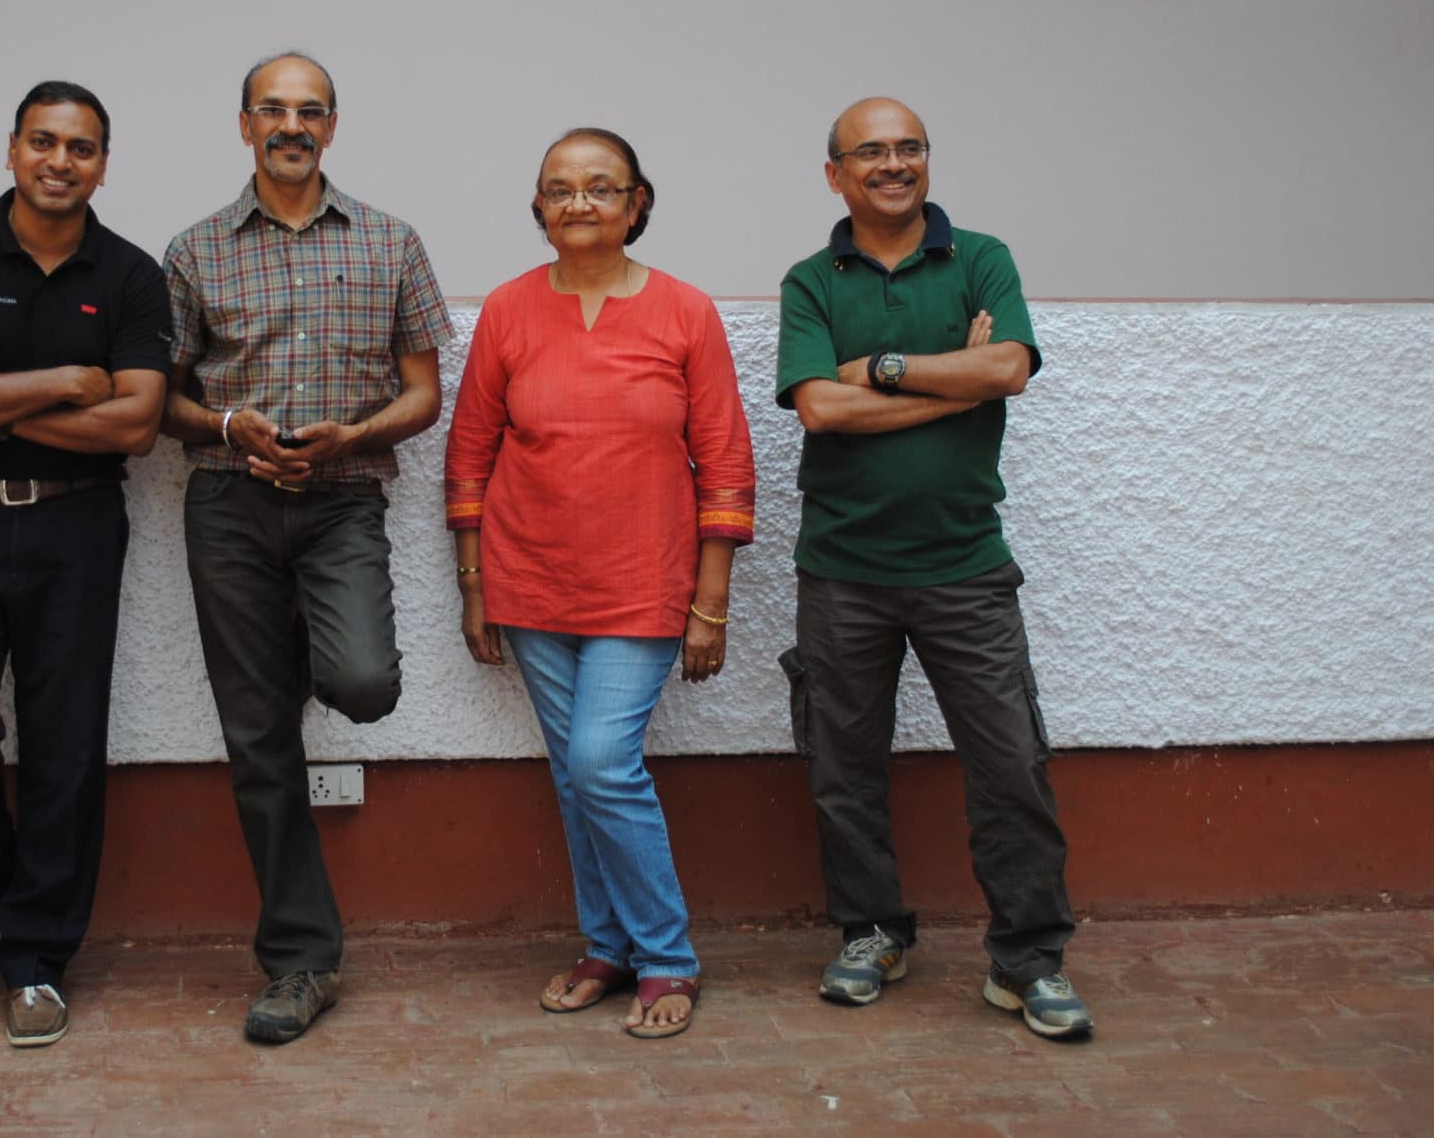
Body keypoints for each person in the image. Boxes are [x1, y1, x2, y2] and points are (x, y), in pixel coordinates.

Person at [774, 96, 1092, 1040]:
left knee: (1011, 765)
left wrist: (875, 369)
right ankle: (872, 932)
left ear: (927, 161)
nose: (893, 163)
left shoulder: (982, 258)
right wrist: (949, 380)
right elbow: (819, 410)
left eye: (909, 147)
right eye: (870, 150)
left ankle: (1029, 961)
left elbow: (1007, 370)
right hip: (842, 570)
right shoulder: (810, 280)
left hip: (966, 566)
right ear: (834, 173)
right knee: (844, 769)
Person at [161, 52, 452, 1044]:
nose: (292, 125)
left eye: (310, 110)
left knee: (361, 681)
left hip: (341, 503)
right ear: (244, 124)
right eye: (272, 109)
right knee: (259, 741)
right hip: (227, 504)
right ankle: (301, 959)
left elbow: (423, 393)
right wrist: (227, 423)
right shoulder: (195, 250)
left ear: (332, 125)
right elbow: (162, 397)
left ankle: (284, 666)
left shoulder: (391, 242)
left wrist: (352, 437)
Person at [444, 128, 755, 1040]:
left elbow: (726, 461)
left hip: (643, 580)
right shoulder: (507, 310)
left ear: (637, 203)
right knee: (574, 775)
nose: (579, 202)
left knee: (599, 762)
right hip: (529, 578)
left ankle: (667, 954)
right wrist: (474, 585)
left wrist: (710, 603)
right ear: (538, 207)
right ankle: (607, 946)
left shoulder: (685, 312)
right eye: (560, 188)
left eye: (600, 186)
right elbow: (468, 454)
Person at [0, 81, 170, 1048]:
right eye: (44, 141)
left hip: (77, 528)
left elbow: (135, 425)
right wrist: (61, 382)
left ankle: (36, 960)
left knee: (65, 746)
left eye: (81, 147)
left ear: (104, 164)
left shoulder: (130, 274)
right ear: (12, 149)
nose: (61, 161)